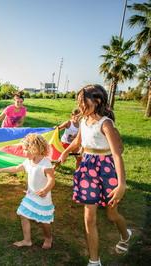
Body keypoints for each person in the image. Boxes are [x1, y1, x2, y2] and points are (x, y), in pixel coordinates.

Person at [58, 84, 131, 266]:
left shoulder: (105, 123)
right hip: (87, 167)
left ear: (97, 101)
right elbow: (78, 141)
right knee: (89, 216)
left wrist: (121, 184)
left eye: (83, 101)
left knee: (112, 215)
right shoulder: (83, 120)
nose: (80, 105)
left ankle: (125, 235)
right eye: (79, 102)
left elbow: (116, 154)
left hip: (106, 170)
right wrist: (66, 152)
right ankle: (94, 261)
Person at [0, 133, 55, 249]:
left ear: (35, 149)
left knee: (44, 221)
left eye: (26, 150)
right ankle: (27, 240)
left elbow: (52, 180)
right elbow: (16, 168)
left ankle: (48, 238)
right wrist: (0, 170)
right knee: (22, 214)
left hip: (43, 197)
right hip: (31, 195)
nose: (24, 152)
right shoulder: (28, 161)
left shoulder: (45, 163)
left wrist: (45, 190)